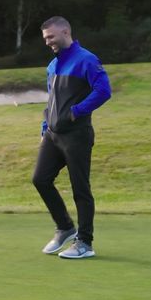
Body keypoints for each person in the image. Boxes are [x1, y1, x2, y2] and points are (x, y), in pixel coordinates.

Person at [33, 16, 112, 259]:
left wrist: (77, 112)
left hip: (77, 135)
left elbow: (104, 91)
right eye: (45, 38)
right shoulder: (52, 65)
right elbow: (52, 100)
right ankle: (65, 227)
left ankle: (85, 243)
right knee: (40, 179)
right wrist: (46, 125)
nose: (48, 42)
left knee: (80, 188)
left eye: (51, 37)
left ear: (65, 32)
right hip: (54, 135)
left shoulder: (86, 60)